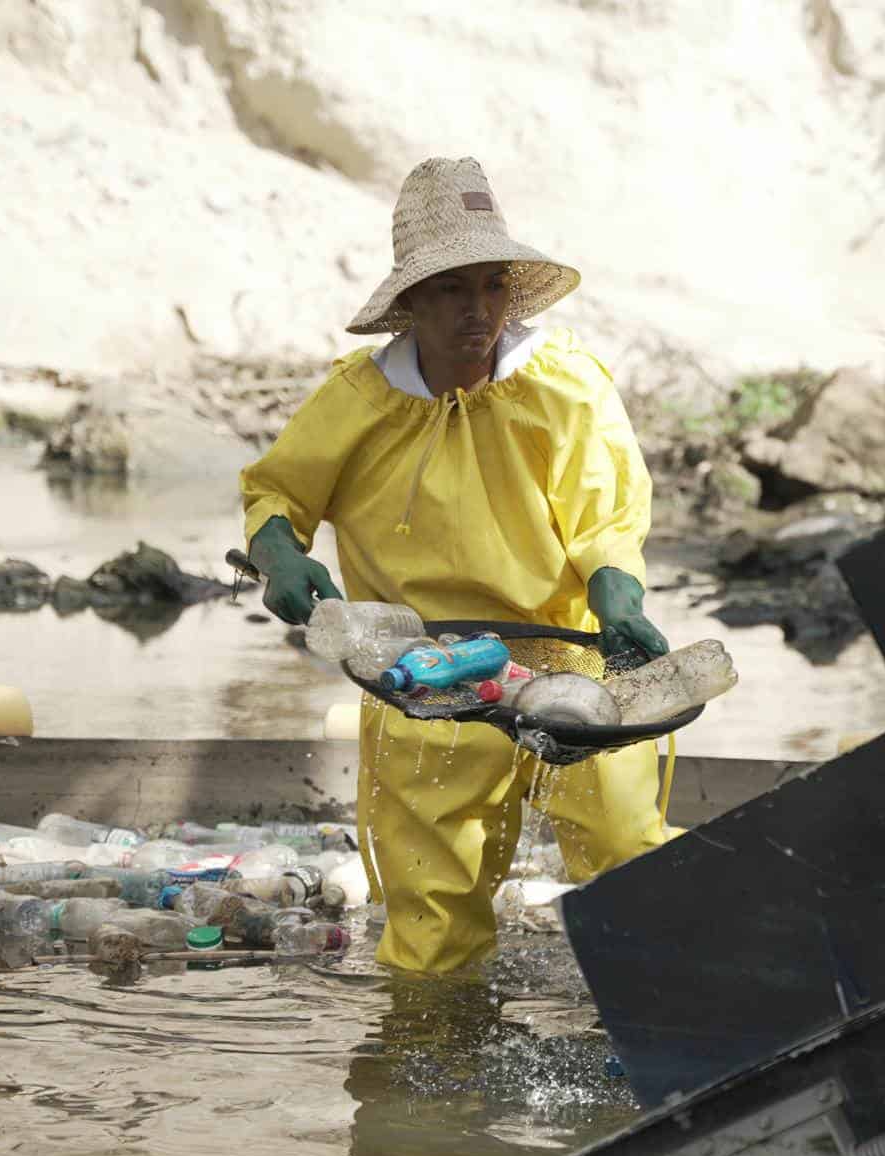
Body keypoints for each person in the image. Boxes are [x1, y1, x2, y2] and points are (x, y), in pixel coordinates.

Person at [239, 156, 673, 973]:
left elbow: (607, 519)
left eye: (491, 286)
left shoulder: (564, 387)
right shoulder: (358, 402)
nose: (477, 311)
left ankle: (662, 1034)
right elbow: (274, 497)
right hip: (424, 674)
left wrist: (618, 601)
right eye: (450, 290)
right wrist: (280, 560)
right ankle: (432, 1081)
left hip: (570, 660)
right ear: (409, 302)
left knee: (630, 861)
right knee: (433, 923)